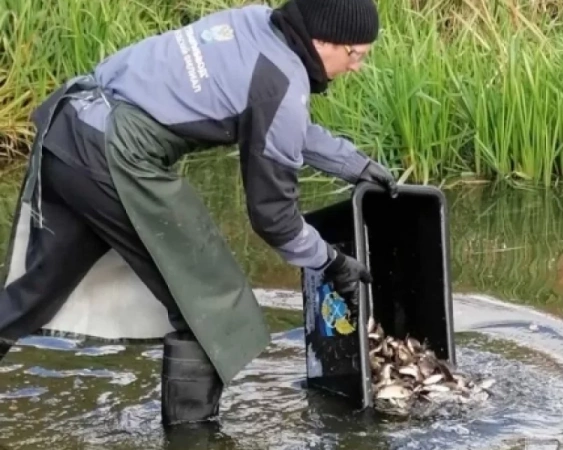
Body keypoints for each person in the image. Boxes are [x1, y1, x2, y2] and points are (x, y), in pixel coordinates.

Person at [0, 0, 396, 425]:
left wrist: (356, 165)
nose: (355, 67)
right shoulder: (280, 81)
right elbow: (274, 218)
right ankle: (194, 437)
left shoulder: (256, 23)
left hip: (69, 129)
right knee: (210, 309)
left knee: (34, 292)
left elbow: (280, 119)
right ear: (322, 41)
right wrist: (332, 261)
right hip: (113, 155)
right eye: (356, 55)